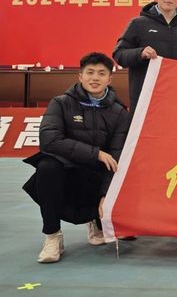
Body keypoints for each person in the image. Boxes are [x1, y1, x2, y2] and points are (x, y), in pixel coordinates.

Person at [22, 52, 130, 263]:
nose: (95, 78)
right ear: (80, 76)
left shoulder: (119, 113)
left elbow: (116, 156)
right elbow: (49, 140)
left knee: (117, 171)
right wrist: (96, 153)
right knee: (47, 167)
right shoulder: (61, 103)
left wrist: (107, 195)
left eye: (101, 73)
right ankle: (53, 235)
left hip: (94, 176)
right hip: (66, 172)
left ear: (110, 79)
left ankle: (96, 221)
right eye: (90, 72)